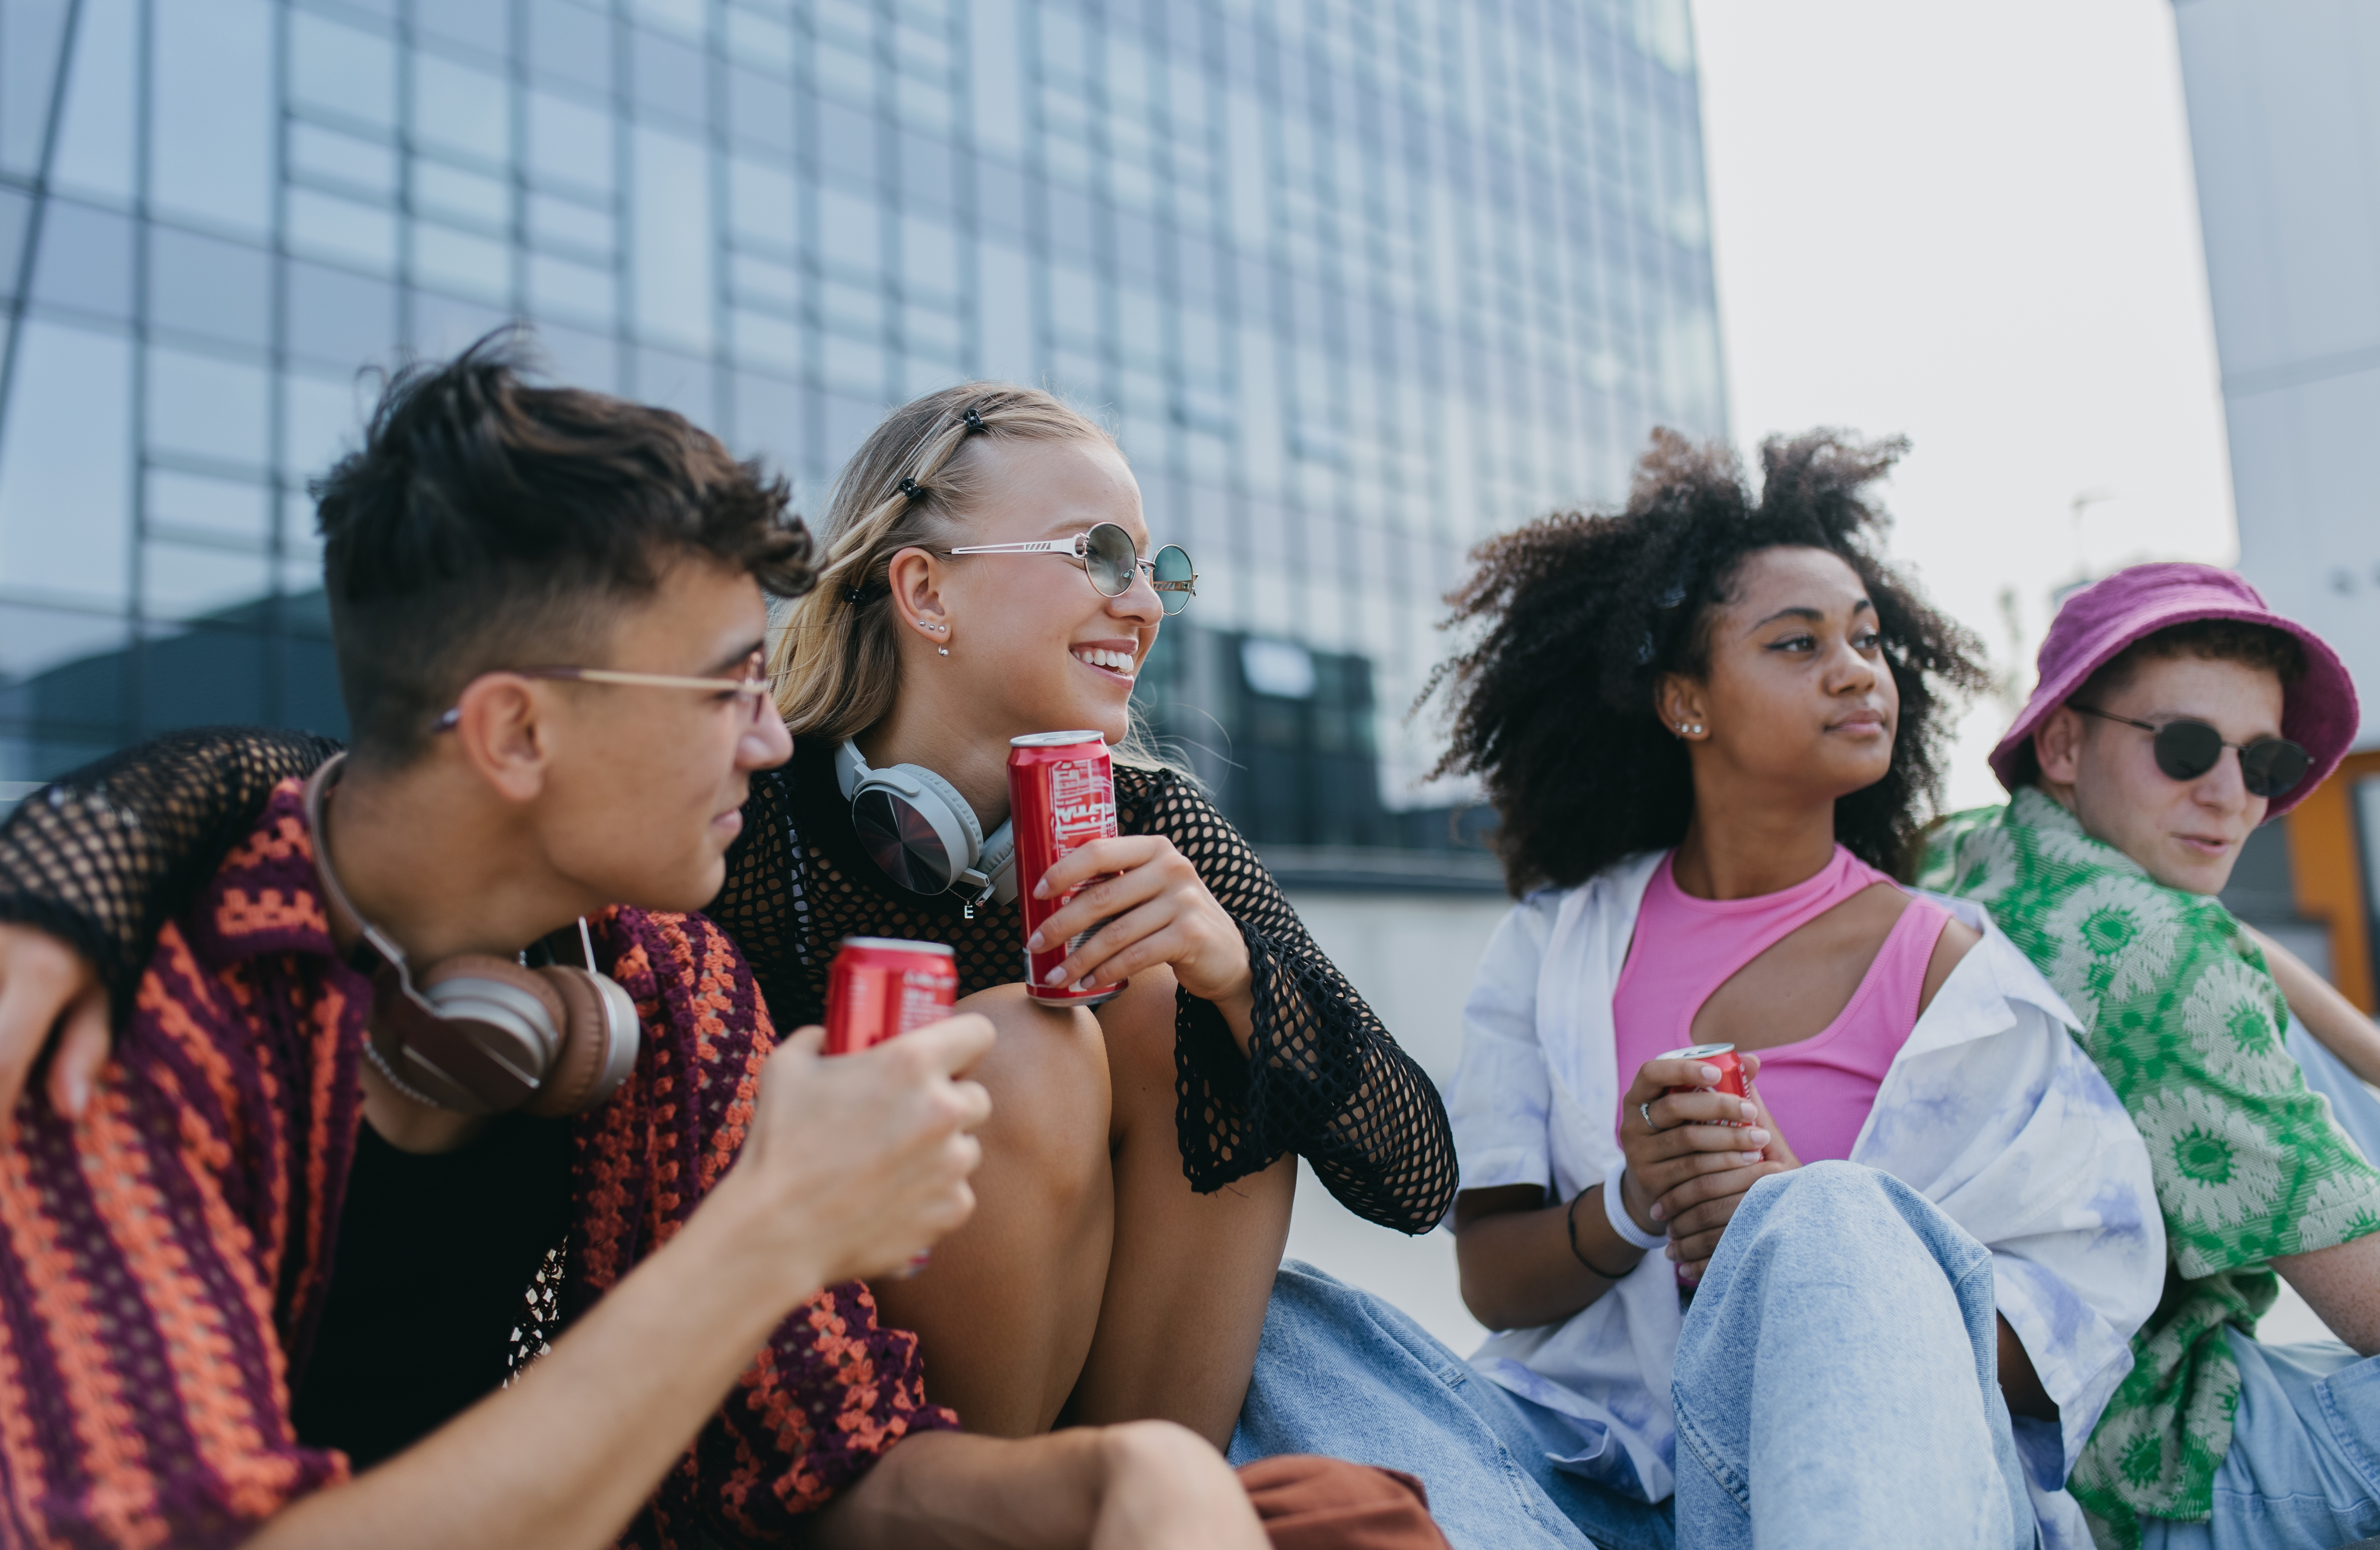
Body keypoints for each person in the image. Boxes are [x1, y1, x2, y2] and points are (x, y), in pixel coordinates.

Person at [0, 338, 1417, 1550]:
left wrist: (1132, 1474)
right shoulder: (115, 1021)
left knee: (1352, 1512)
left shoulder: (669, 985)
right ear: (516, 729)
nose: (767, 730)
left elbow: (835, 1457)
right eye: (724, 685)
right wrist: (772, 1226)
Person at [1227, 430, 2166, 1550]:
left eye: (1868, 640)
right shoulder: (1556, 946)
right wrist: (1636, 1202)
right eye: (1798, 642)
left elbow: (2085, 1309)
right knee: (1278, 1326)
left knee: (1830, 1217)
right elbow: (1490, 1277)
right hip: (1584, 1478)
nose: (1858, 668)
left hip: (1853, 1490)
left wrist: (1808, 1257)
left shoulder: (1955, 975)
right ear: (1686, 703)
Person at [1920, 561, 2380, 1550]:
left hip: (1977, 1436)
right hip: (2151, 1466)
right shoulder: (2169, 968)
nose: (2229, 797)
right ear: (2063, 741)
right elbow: (2373, 1308)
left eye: (2264, 765)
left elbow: (2218, 934)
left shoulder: (1968, 852)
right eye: (2184, 748)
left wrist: (2367, 1050)